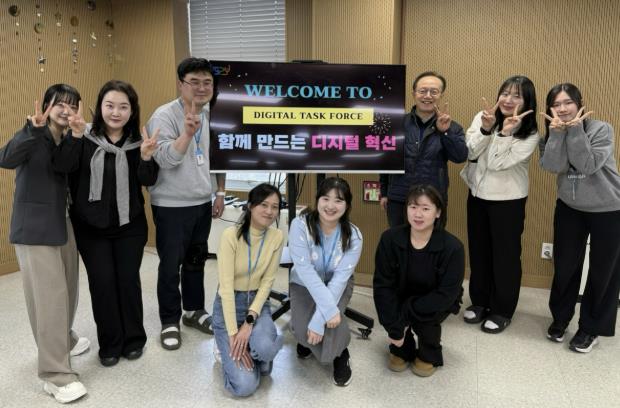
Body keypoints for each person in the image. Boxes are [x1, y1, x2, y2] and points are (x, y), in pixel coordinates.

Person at [53, 80, 159, 367]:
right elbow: (62, 166)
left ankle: (134, 339)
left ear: (132, 111)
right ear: (100, 107)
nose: (116, 112)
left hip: (130, 226)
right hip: (91, 228)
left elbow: (148, 180)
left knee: (127, 281)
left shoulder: (138, 141)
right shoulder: (83, 135)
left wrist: (146, 157)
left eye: (123, 107)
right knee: (102, 285)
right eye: (110, 105)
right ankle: (110, 344)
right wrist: (75, 136)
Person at [0, 84, 89, 403]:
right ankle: (54, 374)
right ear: (47, 106)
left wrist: (77, 136)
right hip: (35, 230)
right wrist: (30, 129)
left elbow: (65, 168)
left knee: (69, 290)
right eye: (60, 104)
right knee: (50, 300)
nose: (66, 110)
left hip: (63, 223)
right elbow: (5, 159)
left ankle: (63, 339)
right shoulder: (34, 133)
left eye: (73, 105)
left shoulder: (68, 137)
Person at [147, 57, 226, 350]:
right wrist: (187, 134)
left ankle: (193, 310)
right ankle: (169, 320)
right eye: (194, 82)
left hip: (201, 202)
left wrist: (220, 192)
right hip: (171, 205)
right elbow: (165, 158)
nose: (202, 88)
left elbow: (219, 156)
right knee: (170, 266)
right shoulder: (164, 116)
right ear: (181, 84)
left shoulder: (212, 114)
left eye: (207, 82)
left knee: (196, 261)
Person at [540, 83, 620, 353]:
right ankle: (560, 319)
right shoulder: (552, 131)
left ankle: (590, 328)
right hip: (570, 207)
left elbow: (588, 164)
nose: (562, 109)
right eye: (556, 104)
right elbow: (553, 166)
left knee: (603, 271)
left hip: (608, 208)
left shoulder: (601, 129)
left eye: (567, 102)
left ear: (579, 103)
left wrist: (574, 130)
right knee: (565, 266)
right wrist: (556, 135)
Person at [460, 75, 539, 333]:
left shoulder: (530, 133)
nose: (508, 100)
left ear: (527, 101)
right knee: (479, 251)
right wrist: (486, 129)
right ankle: (480, 301)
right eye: (505, 93)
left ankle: (502, 309)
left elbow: (496, 163)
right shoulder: (483, 117)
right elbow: (470, 152)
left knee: (505, 256)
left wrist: (504, 133)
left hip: (508, 200)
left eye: (517, 96)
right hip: (477, 195)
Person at [374, 184, 464, 377]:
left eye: (425, 208)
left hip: (435, 299)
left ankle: (428, 350)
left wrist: (406, 312)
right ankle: (401, 348)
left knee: (426, 319)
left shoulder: (453, 247)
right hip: (401, 293)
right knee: (392, 308)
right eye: (413, 207)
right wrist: (394, 327)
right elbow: (383, 286)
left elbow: (446, 294)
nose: (418, 214)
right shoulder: (389, 239)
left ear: (438, 212)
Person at [289, 177, 363, 387]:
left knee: (331, 322)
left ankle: (341, 353)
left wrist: (319, 320)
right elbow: (305, 270)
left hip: (337, 285)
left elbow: (340, 279)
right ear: (317, 200)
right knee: (303, 330)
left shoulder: (354, 235)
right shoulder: (300, 225)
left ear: (347, 205)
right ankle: (307, 341)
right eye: (326, 198)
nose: (331, 206)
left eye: (338, 200)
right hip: (303, 283)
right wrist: (327, 312)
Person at [212, 183, 284, 397]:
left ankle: (256, 349)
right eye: (264, 205)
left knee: (265, 353)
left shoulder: (277, 237)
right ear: (251, 206)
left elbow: (267, 283)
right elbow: (225, 289)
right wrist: (234, 335)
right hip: (229, 305)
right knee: (245, 387)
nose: (269, 211)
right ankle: (226, 347)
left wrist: (249, 324)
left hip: (257, 306)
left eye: (275, 207)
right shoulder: (230, 235)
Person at [380, 71, 468, 227]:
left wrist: (445, 132)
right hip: (399, 197)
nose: (428, 96)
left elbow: (460, 157)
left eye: (434, 92)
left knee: (432, 241)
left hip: (433, 198)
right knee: (398, 240)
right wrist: (385, 192)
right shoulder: (396, 123)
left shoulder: (452, 127)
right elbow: (385, 160)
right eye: (422, 91)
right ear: (414, 93)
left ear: (441, 95)